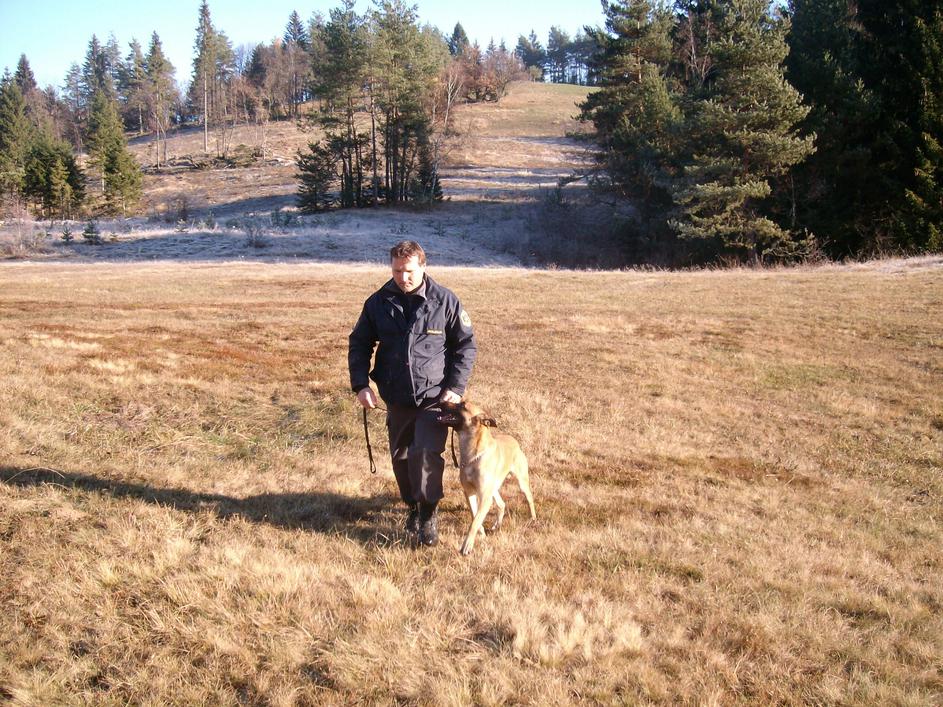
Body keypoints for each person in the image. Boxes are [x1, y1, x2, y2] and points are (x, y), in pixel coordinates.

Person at [348, 240, 477, 546]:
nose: (402, 277)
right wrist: (361, 385)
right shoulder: (377, 303)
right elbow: (359, 344)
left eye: (408, 271)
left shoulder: (445, 301)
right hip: (396, 395)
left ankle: (429, 513)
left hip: (435, 396)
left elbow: (465, 346)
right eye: (396, 271)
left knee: (426, 453)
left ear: (423, 266)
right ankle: (412, 507)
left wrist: (455, 388)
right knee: (401, 457)